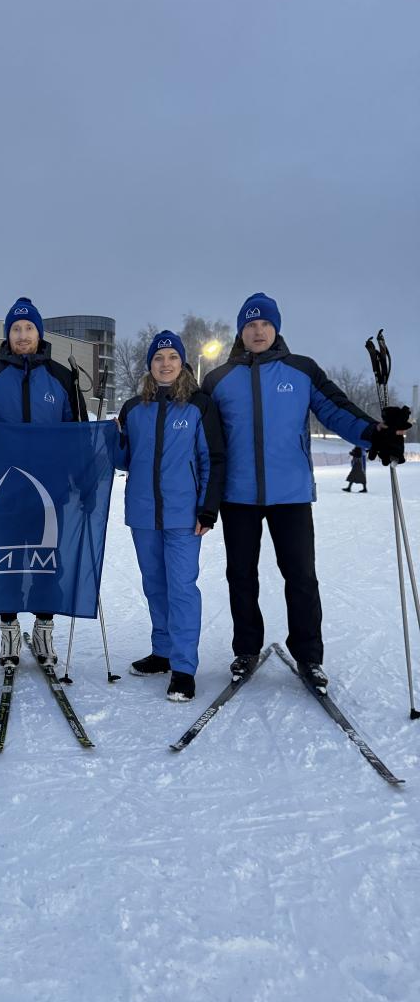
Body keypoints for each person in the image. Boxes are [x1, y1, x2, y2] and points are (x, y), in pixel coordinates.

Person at [202, 292, 405, 693]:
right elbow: (199, 429)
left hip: (291, 493)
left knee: (300, 576)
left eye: (264, 324)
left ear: (276, 328)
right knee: (240, 576)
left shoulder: (301, 370)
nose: (258, 331)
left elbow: (335, 409)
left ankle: (309, 656)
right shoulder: (218, 379)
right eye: (250, 325)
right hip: (237, 495)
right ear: (240, 332)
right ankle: (246, 649)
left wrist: (374, 433)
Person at [0, 296, 86, 666]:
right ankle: (9, 633)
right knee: (7, 566)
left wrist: (84, 481)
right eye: (16, 328)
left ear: (39, 332)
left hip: (50, 494)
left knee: (48, 565)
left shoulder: (62, 377)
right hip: (3, 494)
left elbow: (75, 435)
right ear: (7, 334)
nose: (23, 334)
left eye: (29, 327)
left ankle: (44, 631)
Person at [115, 330, 225, 701]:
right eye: (159, 358)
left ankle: (183, 667)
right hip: (143, 515)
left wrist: (208, 508)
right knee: (155, 586)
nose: (165, 364)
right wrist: (110, 438)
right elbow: (123, 459)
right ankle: (161, 652)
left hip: (183, 515)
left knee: (181, 589)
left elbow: (213, 460)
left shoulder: (198, 405)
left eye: (172, 357)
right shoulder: (133, 408)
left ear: (182, 363)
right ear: (150, 365)